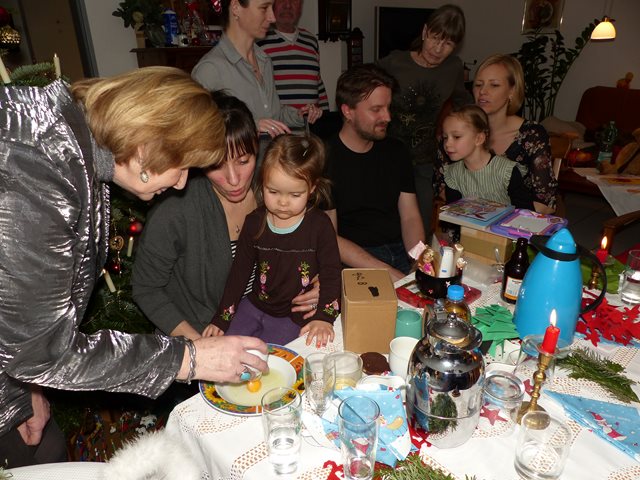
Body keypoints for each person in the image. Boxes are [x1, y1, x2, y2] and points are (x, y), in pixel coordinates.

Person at [0, 67, 268, 468]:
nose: (182, 183)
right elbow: (43, 351)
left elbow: (25, 320)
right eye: (182, 167)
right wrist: (190, 359)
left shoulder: (73, 145)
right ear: (147, 147)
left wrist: (26, 391)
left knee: (47, 449)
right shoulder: (38, 173)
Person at [132, 91, 319, 341]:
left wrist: (319, 279)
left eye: (243, 161)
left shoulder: (271, 184)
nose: (233, 180)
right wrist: (200, 346)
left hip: (269, 323)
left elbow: (311, 234)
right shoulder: (175, 211)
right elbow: (146, 289)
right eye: (217, 165)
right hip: (201, 333)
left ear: (256, 147)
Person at [205, 134, 341, 347]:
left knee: (273, 359)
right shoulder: (254, 222)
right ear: (263, 182)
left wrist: (325, 317)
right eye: (273, 191)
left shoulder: (320, 226)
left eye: (295, 195)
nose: (283, 202)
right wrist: (222, 318)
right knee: (227, 347)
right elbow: (239, 273)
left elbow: (331, 272)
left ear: (312, 188)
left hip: (294, 315)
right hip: (253, 305)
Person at [325, 64, 426, 282]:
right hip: (355, 260)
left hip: (401, 251)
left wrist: (420, 261)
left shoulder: (396, 151)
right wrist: (387, 273)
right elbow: (329, 238)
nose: (387, 117)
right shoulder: (324, 159)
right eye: (376, 109)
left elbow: (410, 216)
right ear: (348, 111)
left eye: (388, 107)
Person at [376, 4, 472, 233]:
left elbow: (463, 103)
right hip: (387, 153)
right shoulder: (395, 62)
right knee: (385, 217)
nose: (438, 49)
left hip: (424, 159)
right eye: (435, 38)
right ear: (424, 32)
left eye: (447, 44)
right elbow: (363, 87)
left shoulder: (453, 68)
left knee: (422, 219)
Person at [435, 54, 558, 214]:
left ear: (512, 91)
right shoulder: (456, 131)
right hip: (466, 221)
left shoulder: (532, 134)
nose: (482, 91)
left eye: (494, 85)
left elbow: (545, 203)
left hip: (517, 222)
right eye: (478, 84)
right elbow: (442, 187)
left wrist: (495, 220)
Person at [191, 0, 322, 144]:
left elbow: (274, 115)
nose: (272, 17)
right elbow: (199, 133)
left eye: (272, 7)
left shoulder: (264, 60)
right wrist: (251, 126)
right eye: (264, 8)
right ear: (236, 8)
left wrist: (300, 114)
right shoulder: (210, 69)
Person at [442, 105, 533, 209]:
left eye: (456, 137)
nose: (447, 144)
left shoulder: (506, 171)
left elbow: (525, 211)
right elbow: (453, 213)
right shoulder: (453, 174)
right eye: (445, 137)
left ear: (479, 138)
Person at [257, 0, 329, 112]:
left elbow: (318, 84)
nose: (288, 5)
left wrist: (326, 116)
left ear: (301, 6)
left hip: (311, 122)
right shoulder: (259, 42)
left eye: (294, 0)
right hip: (276, 122)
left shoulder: (311, 41)